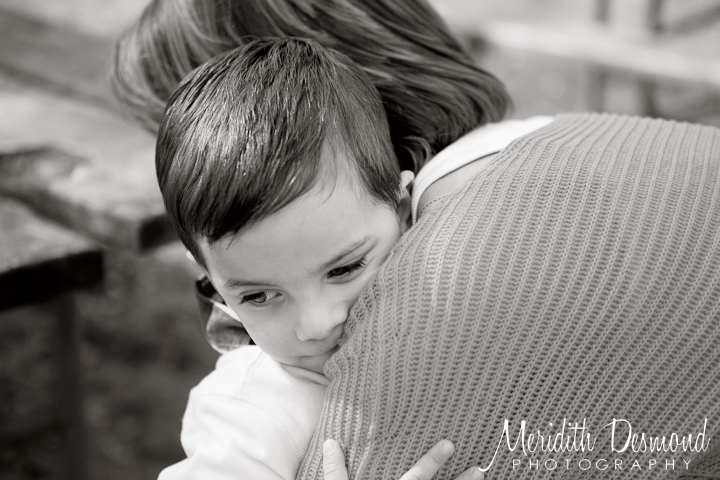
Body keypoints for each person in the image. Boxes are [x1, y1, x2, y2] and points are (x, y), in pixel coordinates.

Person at [152, 36, 537, 480]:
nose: (317, 326)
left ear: (402, 213)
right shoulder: (249, 416)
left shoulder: (457, 317)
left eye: (344, 269)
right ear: (213, 281)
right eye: (258, 296)